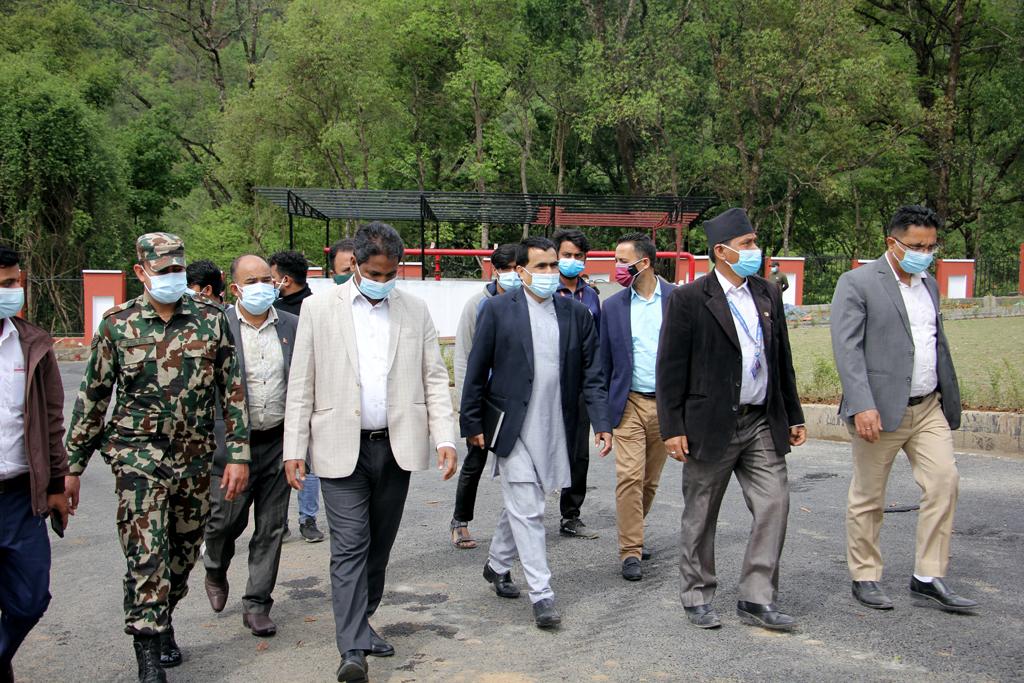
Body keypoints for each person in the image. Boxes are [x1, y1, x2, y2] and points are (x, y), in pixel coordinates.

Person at [64, 233, 250, 683]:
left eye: (178, 269)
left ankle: (163, 618)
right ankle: (148, 653)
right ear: (141, 272)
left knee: (183, 555)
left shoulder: (210, 320)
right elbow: (92, 399)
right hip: (138, 460)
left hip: (195, 459)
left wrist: (238, 454)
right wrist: (71, 467)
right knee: (146, 555)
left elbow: (233, 390)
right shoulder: (117, 324)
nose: (173, 276)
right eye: (164, 270)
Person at [283, 222, 457, 682]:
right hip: (339, 447)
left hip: (395, 449)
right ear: (355, 265)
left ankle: (363, 621)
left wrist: (444, 437)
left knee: (379, 547)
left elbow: (433, 377)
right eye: (375, 274)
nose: (382, 281)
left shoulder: (414, 310)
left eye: (390, 274)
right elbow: (301, 383)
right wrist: (293, 448)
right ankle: (352, 648)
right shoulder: (319, 309)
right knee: (349, 546)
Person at [656, 208, 806, 632]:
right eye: (747, 244)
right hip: (709, 424)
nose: (756, 250)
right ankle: (697, 593)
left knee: (774, 503)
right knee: (701, 513)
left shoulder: (767, 293)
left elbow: (781, 359)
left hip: (760, 420)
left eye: (755, 242)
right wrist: (673, 428)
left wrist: (793, 414)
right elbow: (670, 368)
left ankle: (757, 597)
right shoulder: (689, 299)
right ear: (721, 252)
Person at [830, 205, 977, 614]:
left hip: (928, 406)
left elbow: (934, 341)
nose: (924, 254)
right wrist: (862, 404)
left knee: (944, 481)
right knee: (868, 496)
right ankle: (865, 575)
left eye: (930, 247)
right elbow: (847, 349)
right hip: (877, 410)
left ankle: (928, 576)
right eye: (916, 246)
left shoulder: (929, 284)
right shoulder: (857, 282)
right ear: (891, 243)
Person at [460, 236, 612, 630]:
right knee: (529, 508)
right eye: (540, 266)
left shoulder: (576, 314)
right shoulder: (497, 310)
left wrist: (602, 422)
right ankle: (542, 594)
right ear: (521, 271)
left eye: (553, 265)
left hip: (557, 424)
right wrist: (471, 423)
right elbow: (476, 371)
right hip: (512, 427)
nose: (549, 272)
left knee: (525, 500)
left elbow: (593, 374)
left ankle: (496, 564)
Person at [202, 255, 299, 637]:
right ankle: (215, 566)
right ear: (235, 289)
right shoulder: (217, 327)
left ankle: (257, 603)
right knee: (225, 521)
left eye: (267, 279)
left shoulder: (291, 325)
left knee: (271, 527)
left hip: (278, 442)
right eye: (252, 281)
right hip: (231, 447)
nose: (262, 286)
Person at [0, 245, 69, 683]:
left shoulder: (31, 344)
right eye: (4, 284)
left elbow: (51, 419)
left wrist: (57, 484)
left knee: (30, 600)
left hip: (19, 497)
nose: (13, 290)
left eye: (14, 282)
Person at [599, 233, 674, 581]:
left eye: (621, 261)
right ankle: (630, 550)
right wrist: (601, 419)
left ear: (644, 263)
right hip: (628, 402)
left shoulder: (677, 299)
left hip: (666, 406)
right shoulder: (613, 307)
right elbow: (603, 363)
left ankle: (635, 530)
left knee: (649, 481)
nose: (616, 267)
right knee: (629, 476)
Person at [448, 243, 520, 550]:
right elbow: (463, 356)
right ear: (496, 271)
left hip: (515, 398)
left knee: (518, 465)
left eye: (517, 268)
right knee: (475, 461)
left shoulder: (527, 303)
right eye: (506, 269)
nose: (512, 275)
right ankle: (460, 521)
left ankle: (519, 523)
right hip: (484, 399)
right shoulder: (477, 305)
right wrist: (469, 407)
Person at [269, 249, 324, 543]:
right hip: (276, 396)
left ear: (286, 280)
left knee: (308, 462)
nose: (269, 284)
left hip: (308, 396)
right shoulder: (270, 310)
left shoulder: (316, 308)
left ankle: (308, 518)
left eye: (272, 278)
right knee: (279, 461)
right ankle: (278, 520)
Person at [551, 228, 602, 539]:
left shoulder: (591, 296)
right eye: (567, 255)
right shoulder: (545, 290)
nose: (572, 260)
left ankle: (570, 514)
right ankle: (524, 515)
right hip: (546, 383)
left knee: (577, 453)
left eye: (578, 256)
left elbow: (597, 344)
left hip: (580, 386)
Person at [269, 250, 314, 316]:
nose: (269, 282)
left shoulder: (274, 311)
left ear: (286, 280)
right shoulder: (316, 306)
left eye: (272, 277)